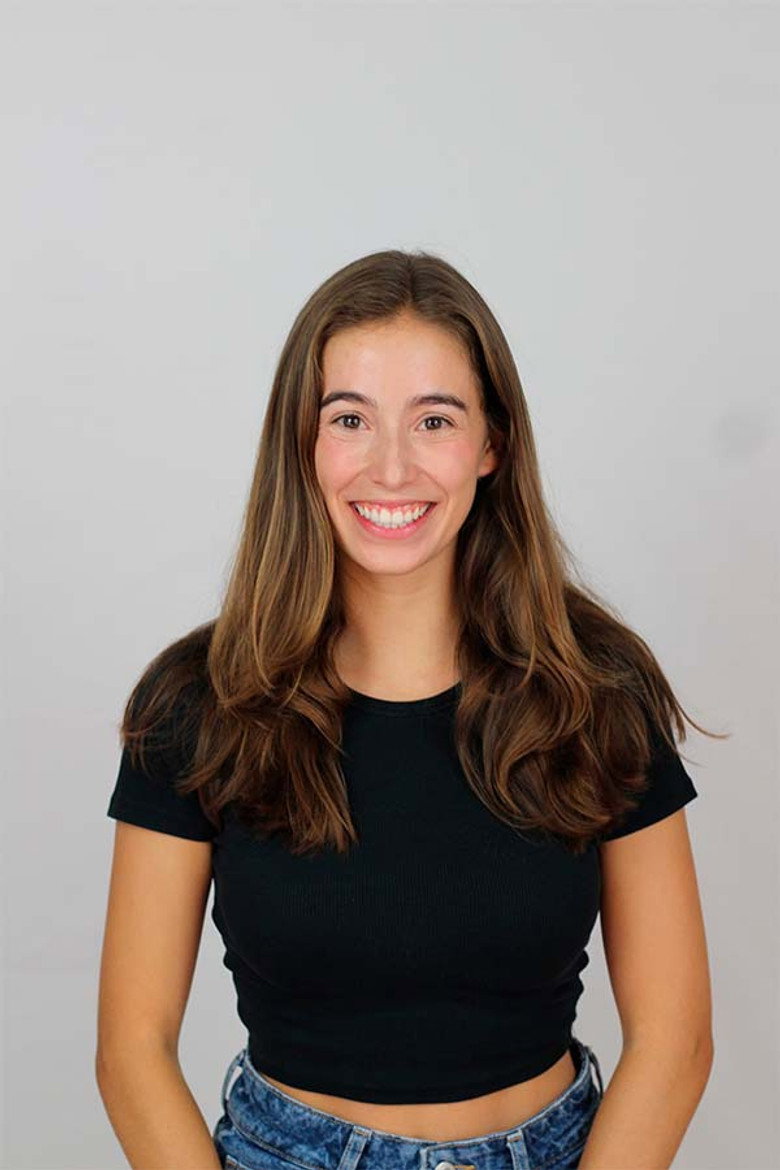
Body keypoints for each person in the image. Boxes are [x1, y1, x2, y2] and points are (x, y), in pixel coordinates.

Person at [96, 249, 717, 1170]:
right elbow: (132, 1051)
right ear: (302, 444)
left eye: (435, 419)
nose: (391, 467)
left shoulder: (597, 691)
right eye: (349, 419)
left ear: (492, 444)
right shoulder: (199, 703)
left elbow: (675, 1040)